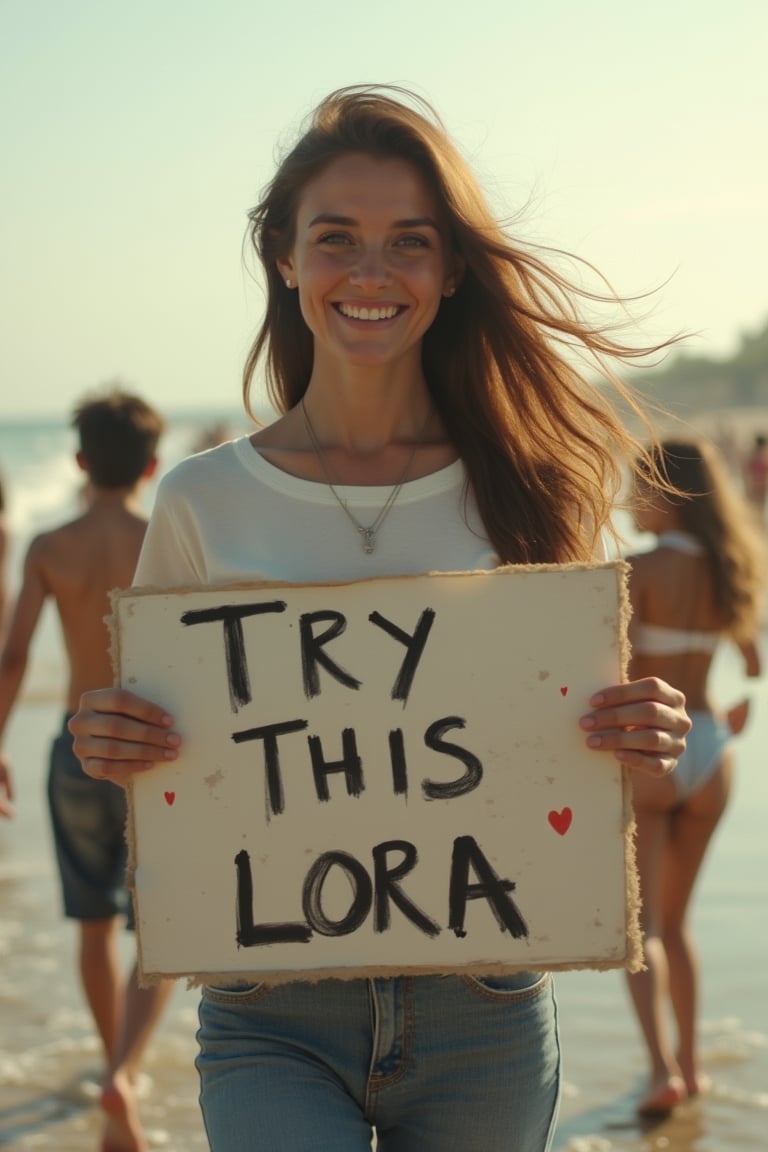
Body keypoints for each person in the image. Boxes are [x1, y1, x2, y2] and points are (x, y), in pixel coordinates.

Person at [67, 86, 691, 1152]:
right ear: (284, 257)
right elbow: (173, 766)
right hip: (268, 1009)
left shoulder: (536, 490)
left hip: (484, 1012)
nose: (370, 272)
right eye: (336, 239)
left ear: (450, 272)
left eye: (410, 242)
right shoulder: (200, 501)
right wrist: (106, 740)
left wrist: (651, 738)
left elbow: (603, 774)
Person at [0, 388, 174, 1152]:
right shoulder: (166, 541)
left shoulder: (47, 547)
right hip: (157, 752)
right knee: (165, 926)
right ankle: (126, 1072)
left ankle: (110, 1058)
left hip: (77, 748)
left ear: (78, 462)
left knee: (94, 919)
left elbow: (11, 659)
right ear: (151, 464)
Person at [624, 437, 765, 1116]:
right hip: (712, 745)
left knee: (641, 927)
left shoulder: (636, 570)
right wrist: (738, 709)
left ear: (666, 494)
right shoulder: (731, 567)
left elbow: (601, 674)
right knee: (678, 926)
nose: (627, 500)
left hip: (653, 753)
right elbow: (756, 667)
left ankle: (660, 1074)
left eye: (636, 486)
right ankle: (693, 1066)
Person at [743, 431, 768, 519]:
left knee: (755, 511)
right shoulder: (763, 456)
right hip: (759, 488)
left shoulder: (752, 456)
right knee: (758, 511)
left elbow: (747, 474)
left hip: (755, 488)